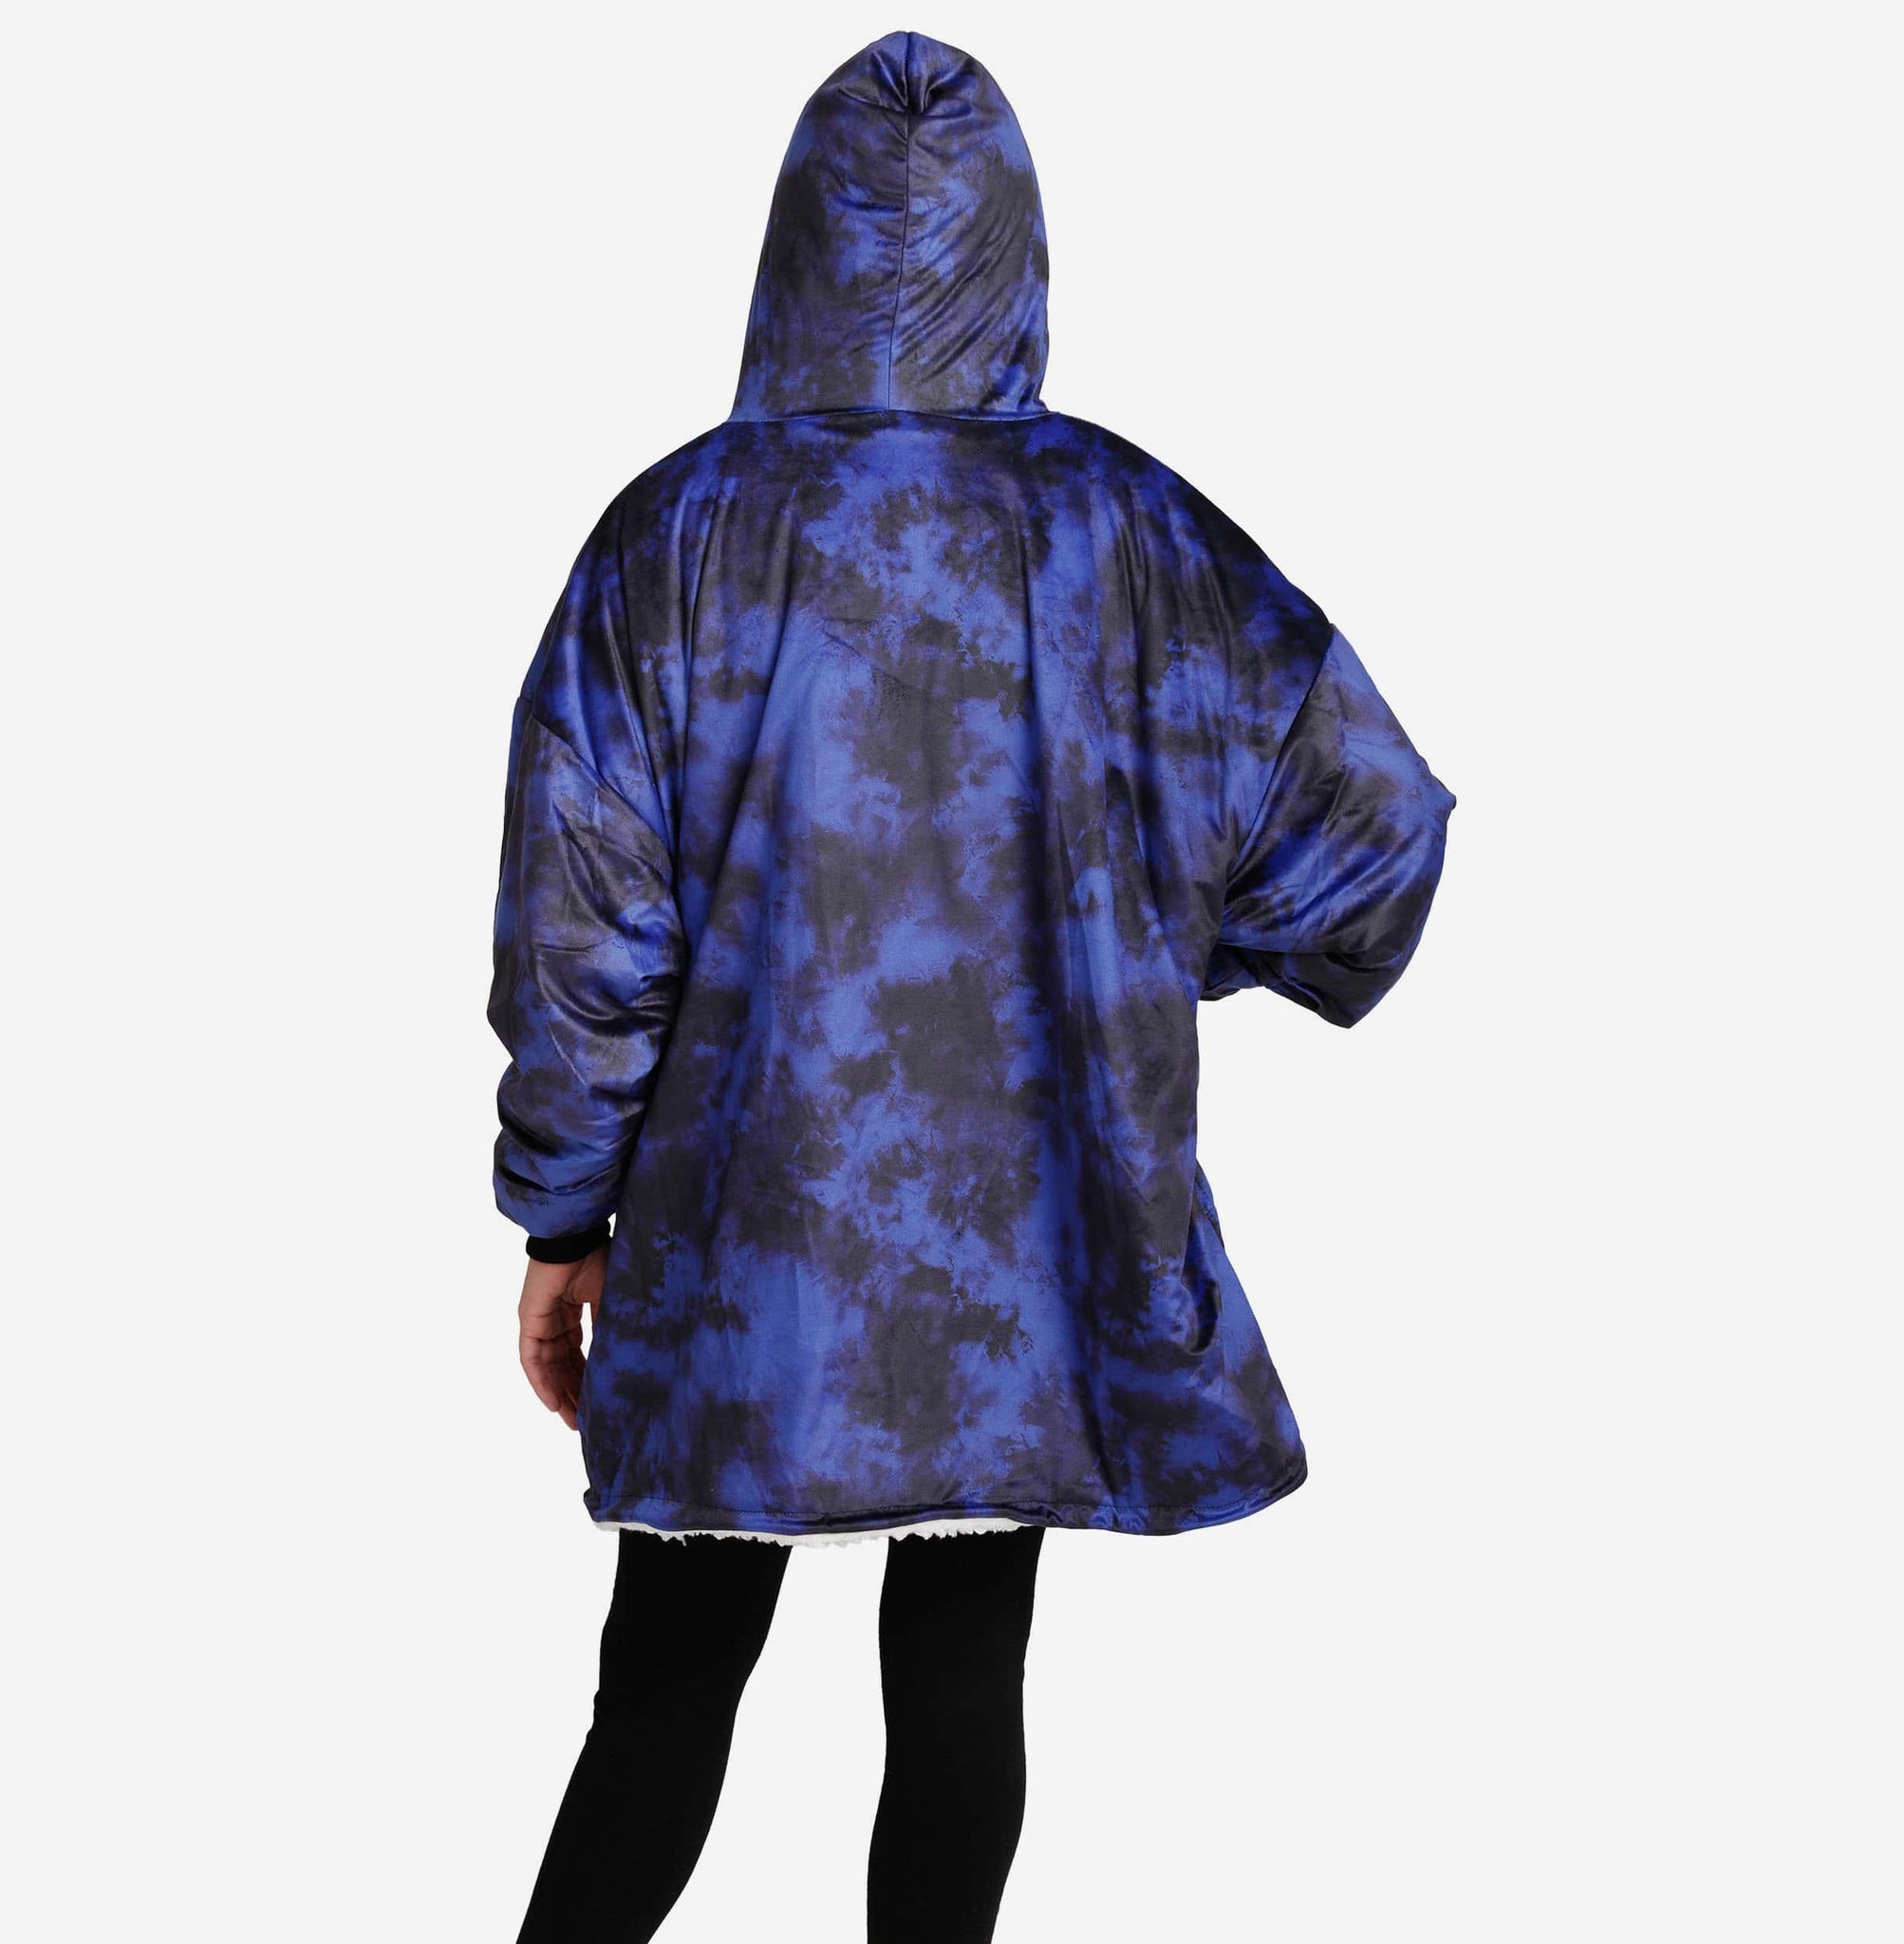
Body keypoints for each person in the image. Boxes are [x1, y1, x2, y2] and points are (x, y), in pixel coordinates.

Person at [491, 29, 1455, 1943]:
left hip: (736, 1248)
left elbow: (583, 922)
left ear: (794, 237)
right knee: (960, 1683)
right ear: (1015, 242)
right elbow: (1370, 824)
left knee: (663, 1689)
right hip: (1024, 1245)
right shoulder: (1128, 526)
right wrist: (1137, 942)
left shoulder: (672, 533)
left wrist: (561, 1216)